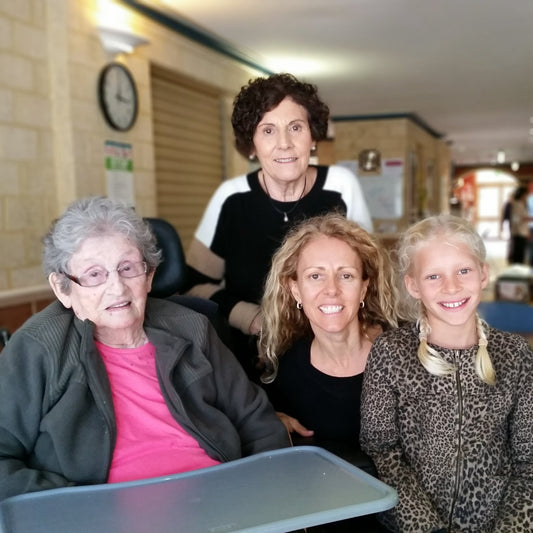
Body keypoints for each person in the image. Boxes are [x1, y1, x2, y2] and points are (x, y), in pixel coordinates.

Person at [0, 196, 290, 502]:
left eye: (127, 268)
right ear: (63, 288)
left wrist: (266, 499)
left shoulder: (193, 328)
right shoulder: (37, 348)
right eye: (94, 274)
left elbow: (258, 424)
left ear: (149, 275)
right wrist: (77, 509)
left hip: (220, 504)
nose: (117, 287)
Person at [185, 73, 372, 381]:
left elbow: (367, 278)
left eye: (295, 128)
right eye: (268, 130)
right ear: (251, 144)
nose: (284, 143)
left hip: (333, 355)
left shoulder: (341, 187)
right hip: (247, 363)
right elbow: (195, 287)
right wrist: (257, 320)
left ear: (312, 136)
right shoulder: (231, 198)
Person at [360, 214, 533, 533]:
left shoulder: (515, 354)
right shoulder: (391, 352)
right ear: (412, 285)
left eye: (463, 271)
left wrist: (512, 527)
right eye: (433, 277)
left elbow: (529, 460)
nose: (451, 287)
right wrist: (425, 528)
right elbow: (381, 451)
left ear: (483, 274)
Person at [259, 213, 398, 532]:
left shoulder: (406, 354)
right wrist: (267, 423)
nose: (331, 290)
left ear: (364, 288)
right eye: (315, 276)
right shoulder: (283, 376)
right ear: (295, 290)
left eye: (346, 276)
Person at [509, 185, 530, 264]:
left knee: (520, 254)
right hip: (519, 233)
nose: (526, 197)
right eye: (526, 195)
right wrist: (527, 218)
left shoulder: (521, 205)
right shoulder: (517, 205)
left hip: (522, 232)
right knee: (518, 254)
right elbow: (516, 219)